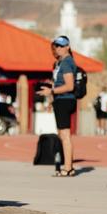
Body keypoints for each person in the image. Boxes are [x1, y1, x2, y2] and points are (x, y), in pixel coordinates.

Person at [37, 35, 77, 177]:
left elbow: (70, 86)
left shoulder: (66, 63)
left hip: (65, 100)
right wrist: (51, 99)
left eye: (61, 46)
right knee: (63, 134)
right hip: (60, 100)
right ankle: (69, 167)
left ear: (67, 47)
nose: (58, 48)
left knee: (65, 135)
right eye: (57, 46)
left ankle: (68, 167)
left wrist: (51, 91)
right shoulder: (60, 63)